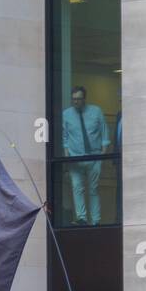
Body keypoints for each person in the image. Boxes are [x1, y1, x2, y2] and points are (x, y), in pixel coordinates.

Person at [61, 85, 111, 225]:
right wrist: (66, 160)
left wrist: (102, 155)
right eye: (74, 99)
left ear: (84, 99)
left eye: (79, 99)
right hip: (75, 158)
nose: (76, 102)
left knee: (93, 189)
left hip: (94, 157)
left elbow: (104, 134)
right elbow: (64, 139)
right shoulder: (66, 115)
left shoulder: (96, 112)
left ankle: (96, 220)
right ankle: (81, 218)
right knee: (77, 187)